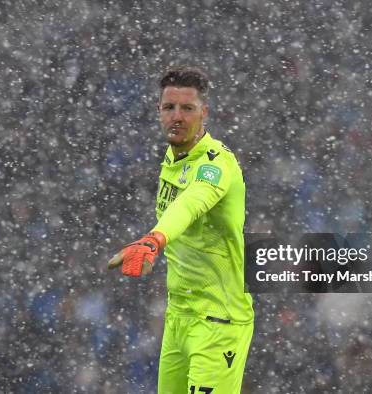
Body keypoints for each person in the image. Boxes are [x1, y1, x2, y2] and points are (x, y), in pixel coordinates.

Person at [108, 66, 254, 393]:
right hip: (178, 317)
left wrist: (154, 240)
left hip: (219, 320)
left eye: (187, 109)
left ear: (204, 112)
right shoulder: (173, 158)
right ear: (158, 112)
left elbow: (191, 203)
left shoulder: (217, 164)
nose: (177, 117)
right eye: (169, 108)